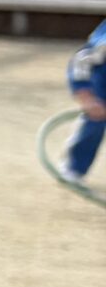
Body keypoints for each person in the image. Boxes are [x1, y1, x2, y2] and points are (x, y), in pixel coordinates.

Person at [61, 17, 106, 180]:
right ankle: (74, 167)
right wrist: (86, 96)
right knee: (95, 119)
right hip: (101, 79)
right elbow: (81, 60)